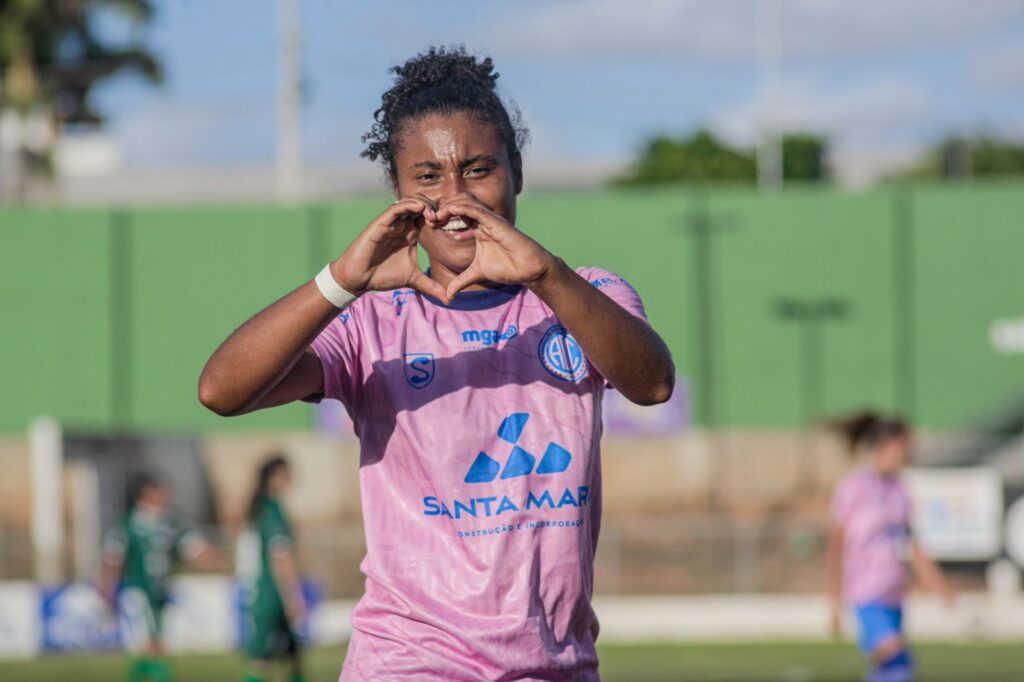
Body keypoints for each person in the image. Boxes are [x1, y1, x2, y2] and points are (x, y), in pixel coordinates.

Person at [198, 45, 674, 680]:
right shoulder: (370, 322)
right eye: (426, 177)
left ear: (517, 172)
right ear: (398, 192)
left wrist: (545, 273)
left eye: (478, 170)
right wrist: (342, 280)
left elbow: (653, 382)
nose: (453, 199)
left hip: (555, 666)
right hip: (408, 663)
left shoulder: (584, 295)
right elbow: (221, 390)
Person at [825, 412, 955, 682]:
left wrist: (940, 587)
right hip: (865, 591)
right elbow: (836, 546)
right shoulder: (854, 487)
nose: (908, 449)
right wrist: (834, 601)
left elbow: (912, 546)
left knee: (895, 669)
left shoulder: (900, 490)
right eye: (903, 443)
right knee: (896, 658)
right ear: (886, 445)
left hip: (894, 592)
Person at [100, 472, 221, 682]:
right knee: (151, 643)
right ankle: (155, 675)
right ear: (146, 494)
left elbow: (196, 549)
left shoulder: (172, 521)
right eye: (160, 491)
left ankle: (143, 674)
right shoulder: (128, 524)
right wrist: (107, 588)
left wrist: (222, 559)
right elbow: (113, 559)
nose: (165, 496)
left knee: (157, 640)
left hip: (162, 590)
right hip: (138, 590)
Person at [237, 456, 306, 682]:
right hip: (269, 593)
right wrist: (292, 596)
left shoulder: (263, 507)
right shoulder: (271, 510)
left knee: (294, 654)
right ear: (273, 477)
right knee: (261, 658)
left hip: (268, 591)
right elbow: (280, 557)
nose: (290, 479)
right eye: (285, 474)